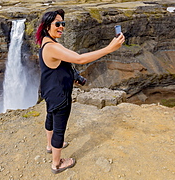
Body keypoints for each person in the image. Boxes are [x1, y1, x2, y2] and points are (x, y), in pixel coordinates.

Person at [35, 9, 125, 174]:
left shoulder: (47, 42)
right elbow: (79, 59)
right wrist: (109, 48)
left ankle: (50, 145)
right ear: (47, 26)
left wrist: (73, 76)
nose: (61, 26)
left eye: (63, 23)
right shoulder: (52, 47)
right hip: (60, 95)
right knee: (59, 128)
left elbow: (64, 64)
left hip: (49, 91)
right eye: (57, 23)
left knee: (50, 118)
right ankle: (57, 164)